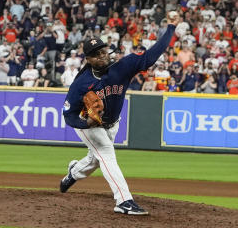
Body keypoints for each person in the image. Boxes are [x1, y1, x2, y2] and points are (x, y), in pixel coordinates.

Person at [60, 11, 183, 216]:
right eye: (97, 54)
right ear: (88, 59)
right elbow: (68, 115)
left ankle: (73, 173)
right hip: (89, 124)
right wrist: (87, 122)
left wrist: (171, 28)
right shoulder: (80, 84)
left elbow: (151, 56)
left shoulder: (122, 67)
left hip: (112, 123)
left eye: (103, 51)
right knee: (107, 154)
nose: (102, 55)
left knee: (95, 160)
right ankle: (123, 201)